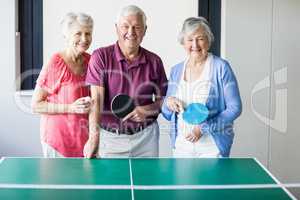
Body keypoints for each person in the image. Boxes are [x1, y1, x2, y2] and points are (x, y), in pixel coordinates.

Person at [83, 5, 167, 158]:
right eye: (125, 26)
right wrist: (93, 137)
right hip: (110, 138)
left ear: (145, 30)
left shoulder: (155, 61)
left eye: (137, 27)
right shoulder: (100, 57)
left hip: (146, 138)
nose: (131, 32)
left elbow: (165, 102)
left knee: (147, 181)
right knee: (110, 182)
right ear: (116, 28)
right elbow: (97, 101)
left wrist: (146, 110)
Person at [161, 17, 242, 158]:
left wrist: (203, 128)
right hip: (181, 145)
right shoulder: (176, 70)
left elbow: (235, 108)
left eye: (200, 39)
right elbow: (167, 113)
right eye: (190, 39)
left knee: (211, 180)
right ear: (183, 42)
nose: (195, 44)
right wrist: (168, 103)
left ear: (208, 41)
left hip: (212, 146)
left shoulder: (221, 67)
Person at [31, 12, 94, 157]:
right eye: (78, 33)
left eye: (88, 33)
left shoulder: (91, 61)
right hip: (57, 141)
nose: (84, 39)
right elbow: (36, 105)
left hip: (83, 141)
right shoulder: (56, 62)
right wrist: (70, 108)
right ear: (66, 35)